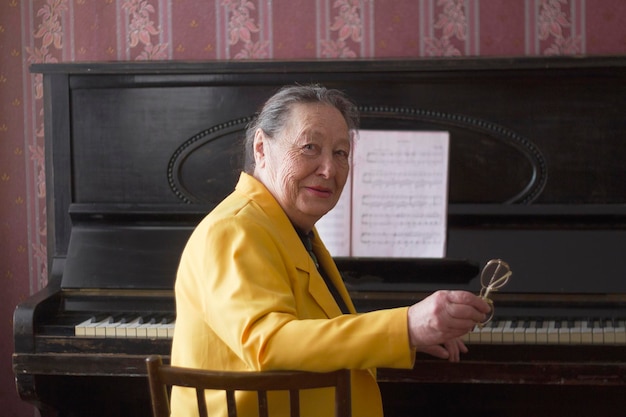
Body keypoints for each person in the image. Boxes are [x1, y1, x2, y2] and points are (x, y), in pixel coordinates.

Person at [170, 84, 490, 417]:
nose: (329, 170)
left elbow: (316, 334)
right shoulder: (235, 228)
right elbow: (270, 343)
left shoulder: (287, 226)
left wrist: (408, 338)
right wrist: (406, 326)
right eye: (310, 147)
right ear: (262, 148)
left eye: (340, 153)